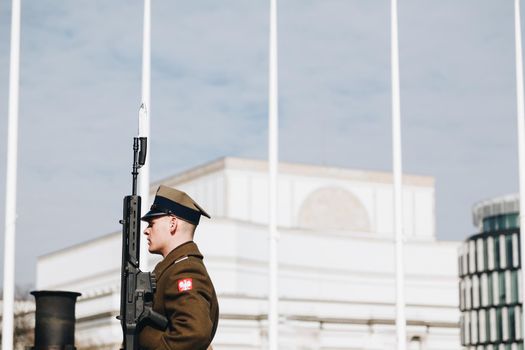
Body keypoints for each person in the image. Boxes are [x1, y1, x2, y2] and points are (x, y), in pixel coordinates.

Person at [138, 185, 219, 350]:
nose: (146, 231)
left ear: (172, 223)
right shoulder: (173, 269)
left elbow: (194, 332)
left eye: (151, 224)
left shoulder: (185, 270)